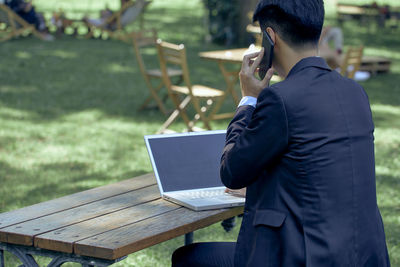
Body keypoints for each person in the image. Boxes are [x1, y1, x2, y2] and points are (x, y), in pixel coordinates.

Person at [171, 0, 391, 266]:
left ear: (270, 37)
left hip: (302, 256)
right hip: (363, 255)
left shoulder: (281, 99)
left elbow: (231, 172)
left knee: (189, 259)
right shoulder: (355, 93)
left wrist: (249, 99)